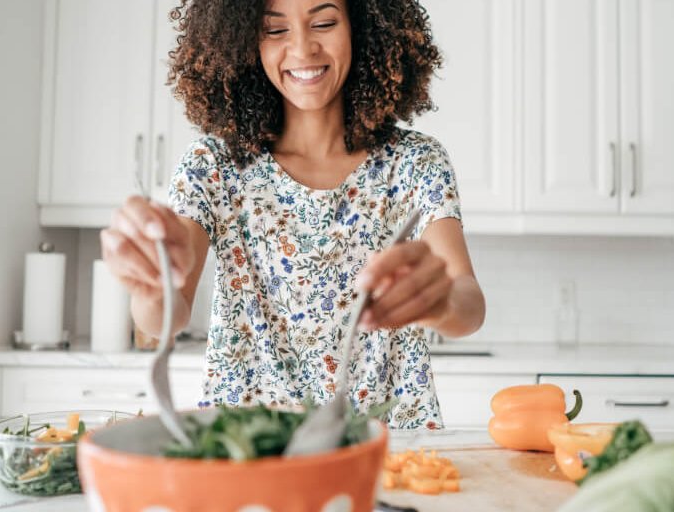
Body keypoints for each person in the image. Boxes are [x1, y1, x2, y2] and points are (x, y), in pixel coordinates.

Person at [100, 0, 485, 429]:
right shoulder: (214, 166)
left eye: (323, 22)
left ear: (361, 26)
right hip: (250, 450)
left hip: (388, 449)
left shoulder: (416, 163)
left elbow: (468, 305)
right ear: (245, 42)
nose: (302, 49)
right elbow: (163, 320)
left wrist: (440, 300)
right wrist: (153, 285)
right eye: (275, 30)